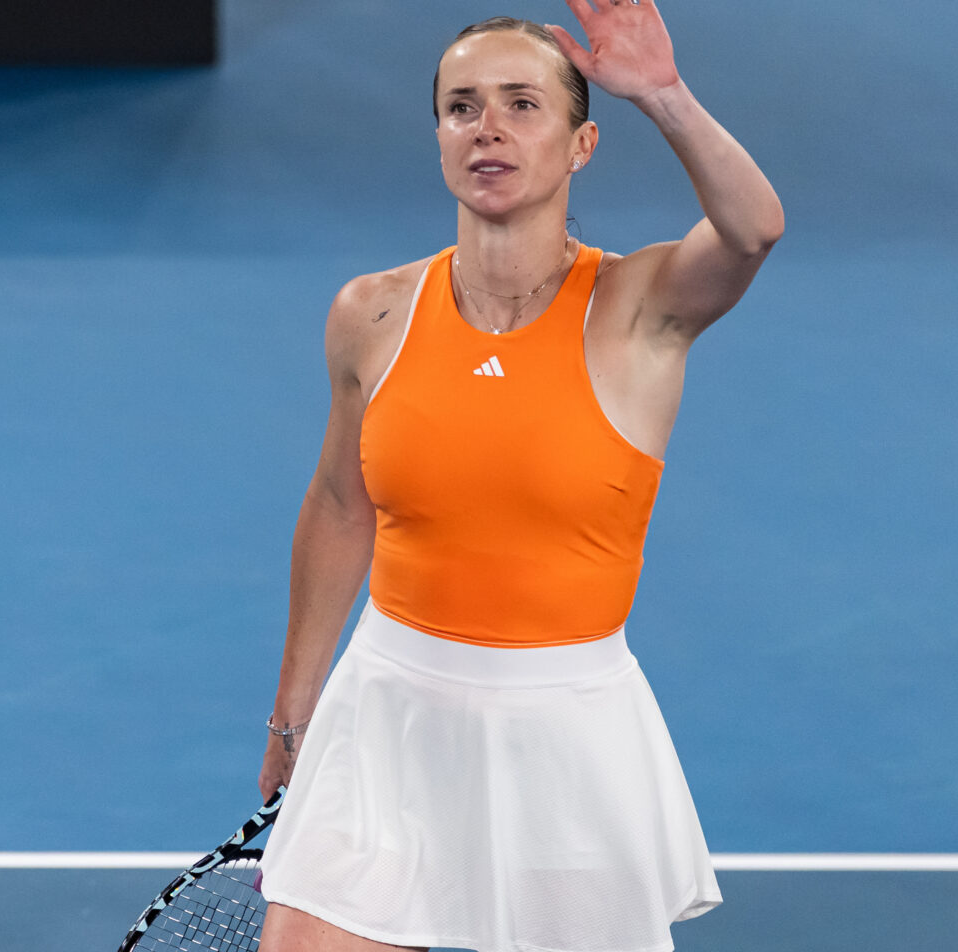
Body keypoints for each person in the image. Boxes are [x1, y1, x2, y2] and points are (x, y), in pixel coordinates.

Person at [256, 3, 782, 950]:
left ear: (582, 144)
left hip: (564, 740)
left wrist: (663, 95)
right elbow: (341, 505)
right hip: (387, 716)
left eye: (522, 104)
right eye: (461, 107)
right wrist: (294, 708)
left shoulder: (641, 309)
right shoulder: (371, 314)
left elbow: (751, 232)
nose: (487, 127)